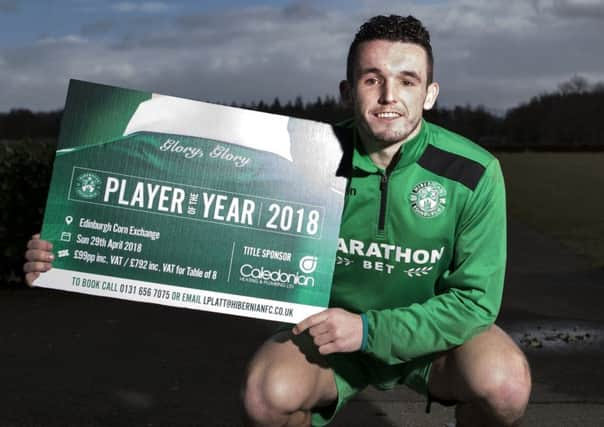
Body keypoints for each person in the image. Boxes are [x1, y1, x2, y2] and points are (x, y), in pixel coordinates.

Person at [24, 14, 531, 427]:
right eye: (371, 78)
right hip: (330, 340)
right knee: (266, 396)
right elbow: (186, 220)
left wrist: (373, 329)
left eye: (407, 80)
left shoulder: (474, 171)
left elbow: (475, 302)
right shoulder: (302, 156)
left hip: (429, 345)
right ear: (346, 89)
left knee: (505, 384)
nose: (387, 96)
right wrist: (70, 246)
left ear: (431, 93)